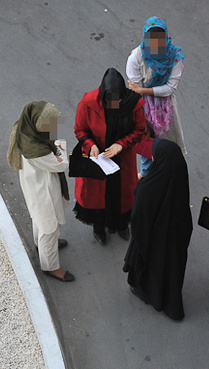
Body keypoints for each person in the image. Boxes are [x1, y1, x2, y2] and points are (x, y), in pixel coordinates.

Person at [73, 68, 146, 245]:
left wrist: (121, 144)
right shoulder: (88, 102)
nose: (114, 105)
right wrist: (91, 146)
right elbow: (80, 130)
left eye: (118, 101)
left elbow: (139, 130)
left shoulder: (133, 104)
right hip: (98, 159)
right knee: (98, 196)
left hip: (122, 159)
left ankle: (121, 225)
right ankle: (99, 228)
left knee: (121, 195)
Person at [123, 138, 193, 321]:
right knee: (171, 271)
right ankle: (169, 303)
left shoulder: (148, 187)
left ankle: (148, 294)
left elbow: (138, 217)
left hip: (152, 242)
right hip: (175, 239)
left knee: (150, 272)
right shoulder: (178, 181)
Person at [7, 101, 74, 282]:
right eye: (50, 123)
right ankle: (51, 267)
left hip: (33, 185)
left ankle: (41, 246)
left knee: (39, 218)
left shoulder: (24, 131)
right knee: (49, 227)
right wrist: (60, 144)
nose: (54, 127)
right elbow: (61, 164)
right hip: (43, 190)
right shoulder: (38, 150)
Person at [126, 16, 185, 178]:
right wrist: (140, 94)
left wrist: (144, 91)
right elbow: (134, 89)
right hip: (142, 108)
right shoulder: (136, 58)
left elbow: (169, 88)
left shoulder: (174, 57)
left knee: (168, 143)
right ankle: (146, 174)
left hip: (165, 109)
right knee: (146, 144)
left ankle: (165, 171)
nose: (156, 45)